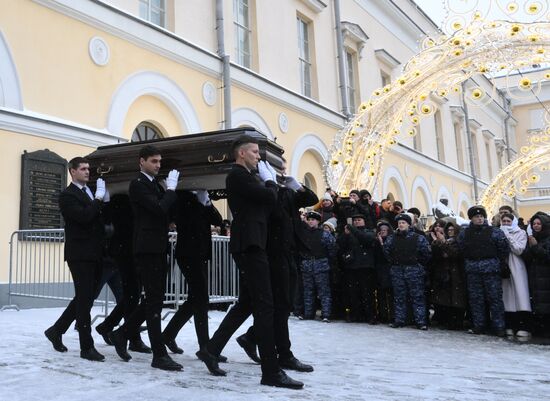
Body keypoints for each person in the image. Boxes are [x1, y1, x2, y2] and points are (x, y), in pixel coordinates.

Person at [199, 135, 303, 389]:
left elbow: (273, 206)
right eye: (255, 152)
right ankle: (271, 370)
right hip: (249, 245)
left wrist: (279, 184)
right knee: (265, 306)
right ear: (242, 154)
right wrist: (270, 181)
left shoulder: (248, 177)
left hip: (255, 244)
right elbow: (269, 199)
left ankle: (211, 349)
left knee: (248, 303)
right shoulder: (238, 176)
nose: (259, 156)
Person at [235, 158, 319, 372]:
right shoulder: (267, 190)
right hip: (274, 254)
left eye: (284, 166)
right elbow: (276, 213)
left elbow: (312, 198)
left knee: (285, 305)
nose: (282, 170)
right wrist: (273, 184)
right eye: (278, 167)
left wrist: (296, 185)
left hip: (290, 253)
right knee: (281, 306)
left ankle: (253, 337)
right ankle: (283, 353)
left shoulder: (286, 191)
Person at [109, 145, 182, 371]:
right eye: (153, 161)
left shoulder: (153, 185)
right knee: (153, 302)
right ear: (141, 162)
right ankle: (159, 355)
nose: (158, 165)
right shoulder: (138, 184)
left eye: (160, 161)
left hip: (157, 247)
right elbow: (159, 210)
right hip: (147, 248)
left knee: (154, 300)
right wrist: (171, 191)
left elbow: (166, 213)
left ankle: (121, 334)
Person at [44, 157, 108, 361]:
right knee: (84, 299)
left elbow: (98, 219)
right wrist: (98, 200)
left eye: (89, 168)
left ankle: (57, 330)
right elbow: (84, 217)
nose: (88, 172)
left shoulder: (89, 191)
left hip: (96, 252)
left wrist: (102, 202)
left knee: (85, 298)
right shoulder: (67, 195)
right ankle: (86, 347)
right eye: (83, 169)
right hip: (80, 254)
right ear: (72, 171)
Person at [162, 190, 223, 355]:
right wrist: (200, 204)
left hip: (200, 254)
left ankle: (168, 335)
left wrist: (207, 203)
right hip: (189, 254)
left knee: (194, 300)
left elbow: (218, 221)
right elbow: (187, 223)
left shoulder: (201, 199)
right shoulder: (183, 198)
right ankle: (205, 347)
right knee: (201, 299)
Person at [457, 206, 510, 336]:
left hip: (491, 270)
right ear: (472, 218)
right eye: (476, 217)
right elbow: (461, 249)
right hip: (473, 270)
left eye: (481, 216)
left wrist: (494, 261)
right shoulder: (465, 233)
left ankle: (499, 326)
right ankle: (479, 325)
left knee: (495, 299)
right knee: (476, 300)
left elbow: (504, 248)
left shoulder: (495, 232)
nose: (479, 219)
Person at [383, 213, 431, 330]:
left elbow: (426, 254)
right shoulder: (392, 238)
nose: (401, 225)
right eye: (399, 223)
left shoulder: (418, 238)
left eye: (403, 223)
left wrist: (418, 264)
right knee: (399, 297)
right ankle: (399, 320)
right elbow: (386, 253)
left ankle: (420, 321)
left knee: (417, 297)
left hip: (414, 271)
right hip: (398, 271)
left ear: (409, 225)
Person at [337, 214, 378, 323]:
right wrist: (345, 235)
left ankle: (370, 315)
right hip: (351, 267)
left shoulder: (368, 232)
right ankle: (355, 314)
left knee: (367, 293)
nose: (356, 222)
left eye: (359, 220)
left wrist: (353, 230)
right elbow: (339, 245)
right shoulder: (349, 233)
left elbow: (366, 240)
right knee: (353, 293)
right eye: (354, 220)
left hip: (365, 267)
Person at [428, 221, 467, 330]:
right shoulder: (446, 241)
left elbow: (454, 254)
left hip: (456, 273)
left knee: (456, 299)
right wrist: (436, 243)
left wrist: (443, 242)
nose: (450, 232)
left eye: (452, 230)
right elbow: (437, 255)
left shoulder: (458, 242)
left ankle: (457, 322)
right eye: (448, 230)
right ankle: (446, 320)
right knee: (446, 298)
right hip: (445, 273)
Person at [299, 211, 336, 322]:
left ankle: (326, 314)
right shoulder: (304, 234)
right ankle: (308, 313)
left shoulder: (324, 233)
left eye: (313, 220)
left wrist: (327, 261)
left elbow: (332, 248)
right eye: (309, 220)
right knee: (308, 291)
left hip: (321, 265)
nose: (311, 222)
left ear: (318, 221)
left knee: (324, 291)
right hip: (307, 265)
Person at [499, 212, 531, 338]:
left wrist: (508, 236)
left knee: (520, 295)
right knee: (507, 296)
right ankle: (510, 325)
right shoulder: (498, 233)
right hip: (505, 267)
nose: (506, 224)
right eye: (504, 221)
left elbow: (518, 249)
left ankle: (523, 325)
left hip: (517, 266)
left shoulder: (520, 233)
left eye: (508, 221)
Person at [523, 212, 550, 337]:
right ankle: (539, 329)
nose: (536, 226)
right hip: (534, 276)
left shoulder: (547, 238)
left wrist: (535, 246)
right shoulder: (532, 237)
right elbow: (527, 257)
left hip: (545, 277)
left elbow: (546, 256)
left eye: (539, 223)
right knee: (538, 304)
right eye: (534, 224)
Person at [374, 220, 394, 323]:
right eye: (381, 230)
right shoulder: (375, 241)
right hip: (379, 269)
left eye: (385, 230)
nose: (383, 231)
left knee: (390, 294)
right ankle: (382, 315)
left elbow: (388, 256)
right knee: (381, 294)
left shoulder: (392, 241)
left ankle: (391, 315)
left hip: (389, 269)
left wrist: (382, 243)